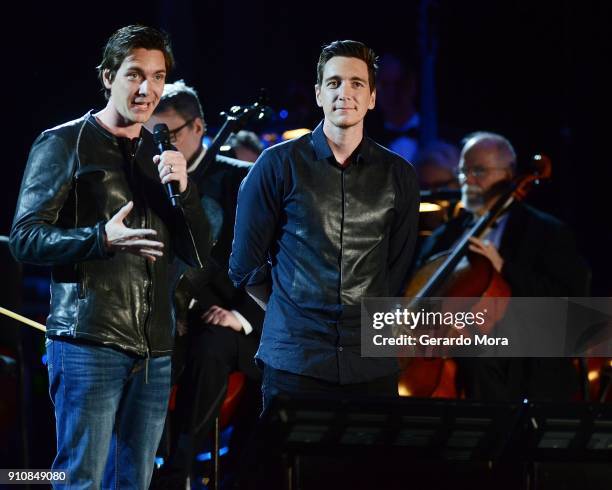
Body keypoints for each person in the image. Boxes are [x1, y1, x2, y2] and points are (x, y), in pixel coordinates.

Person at [9, 26, 211, 489]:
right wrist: (101, 238)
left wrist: (187, 191)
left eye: (158, 77)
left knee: (134, 482)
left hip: (155, 350)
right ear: (107, 76)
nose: (147, 89)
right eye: (135, 74)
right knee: (81, 479)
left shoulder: (161, 152)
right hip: (87, 341)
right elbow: (24, 239)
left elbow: (198, 253)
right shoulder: (64, 142)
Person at [229, 40, 420, 409]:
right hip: (295, 361)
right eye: (333, 83)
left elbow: (396, 268)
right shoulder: (276, 165)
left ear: (373, 97)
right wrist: (292, 312)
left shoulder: (399, 175)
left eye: (356, 83)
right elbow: (245, 265)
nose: (344, 93)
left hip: (370, 363)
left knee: (366, 468)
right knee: (290, 467)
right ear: (318, 94)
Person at [146, 80, 264, 487]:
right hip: (168, 314)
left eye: (168, 133)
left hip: (231, 318)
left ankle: (180, 467)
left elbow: (274, 257)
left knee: (211, 343)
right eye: (150, 133)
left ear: (198, 127)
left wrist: (242, 314)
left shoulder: (242, 180)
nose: (159, 144)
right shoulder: (146, 179)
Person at [416, 131, 590, 401]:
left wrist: (504, 268)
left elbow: (571, 302)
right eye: (463, 171)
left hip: (525, 362)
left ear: (508, 176)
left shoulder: (547, 233)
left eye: (479, 171)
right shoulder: (445, 236)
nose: (467, 180)